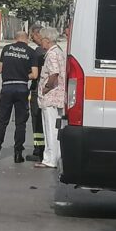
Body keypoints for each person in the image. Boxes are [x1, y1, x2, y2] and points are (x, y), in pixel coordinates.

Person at [0, 30, 37, 163]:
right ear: (26, 39)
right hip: (22, 88)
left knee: (2, 122)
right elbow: (34, 74)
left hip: (7, 88)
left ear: (15, 39)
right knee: (21, 123)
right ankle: (18, 154)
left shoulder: (6, 49)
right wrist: (23, 75)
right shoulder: (31, 52)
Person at [37, 26, 66, 169]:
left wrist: (46, 87)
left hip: (51, 97)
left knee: (50, 129)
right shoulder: (59, 51)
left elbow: (54, 73)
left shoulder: (51, 54)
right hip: (59, 96)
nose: (41, 42)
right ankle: (56, 157)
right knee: (56, 129)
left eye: (42, 39)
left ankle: (49, 159)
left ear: (47, 40)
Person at [27, 26, 47, 162]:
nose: (31, 39)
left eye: (32, 36)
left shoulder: (38, 52)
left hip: (37, 90)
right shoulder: (49, 50)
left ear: (38, 35)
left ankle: (38, 150)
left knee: (37, 120)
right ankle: (44, 149)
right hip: (46, 90)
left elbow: (34, 73)